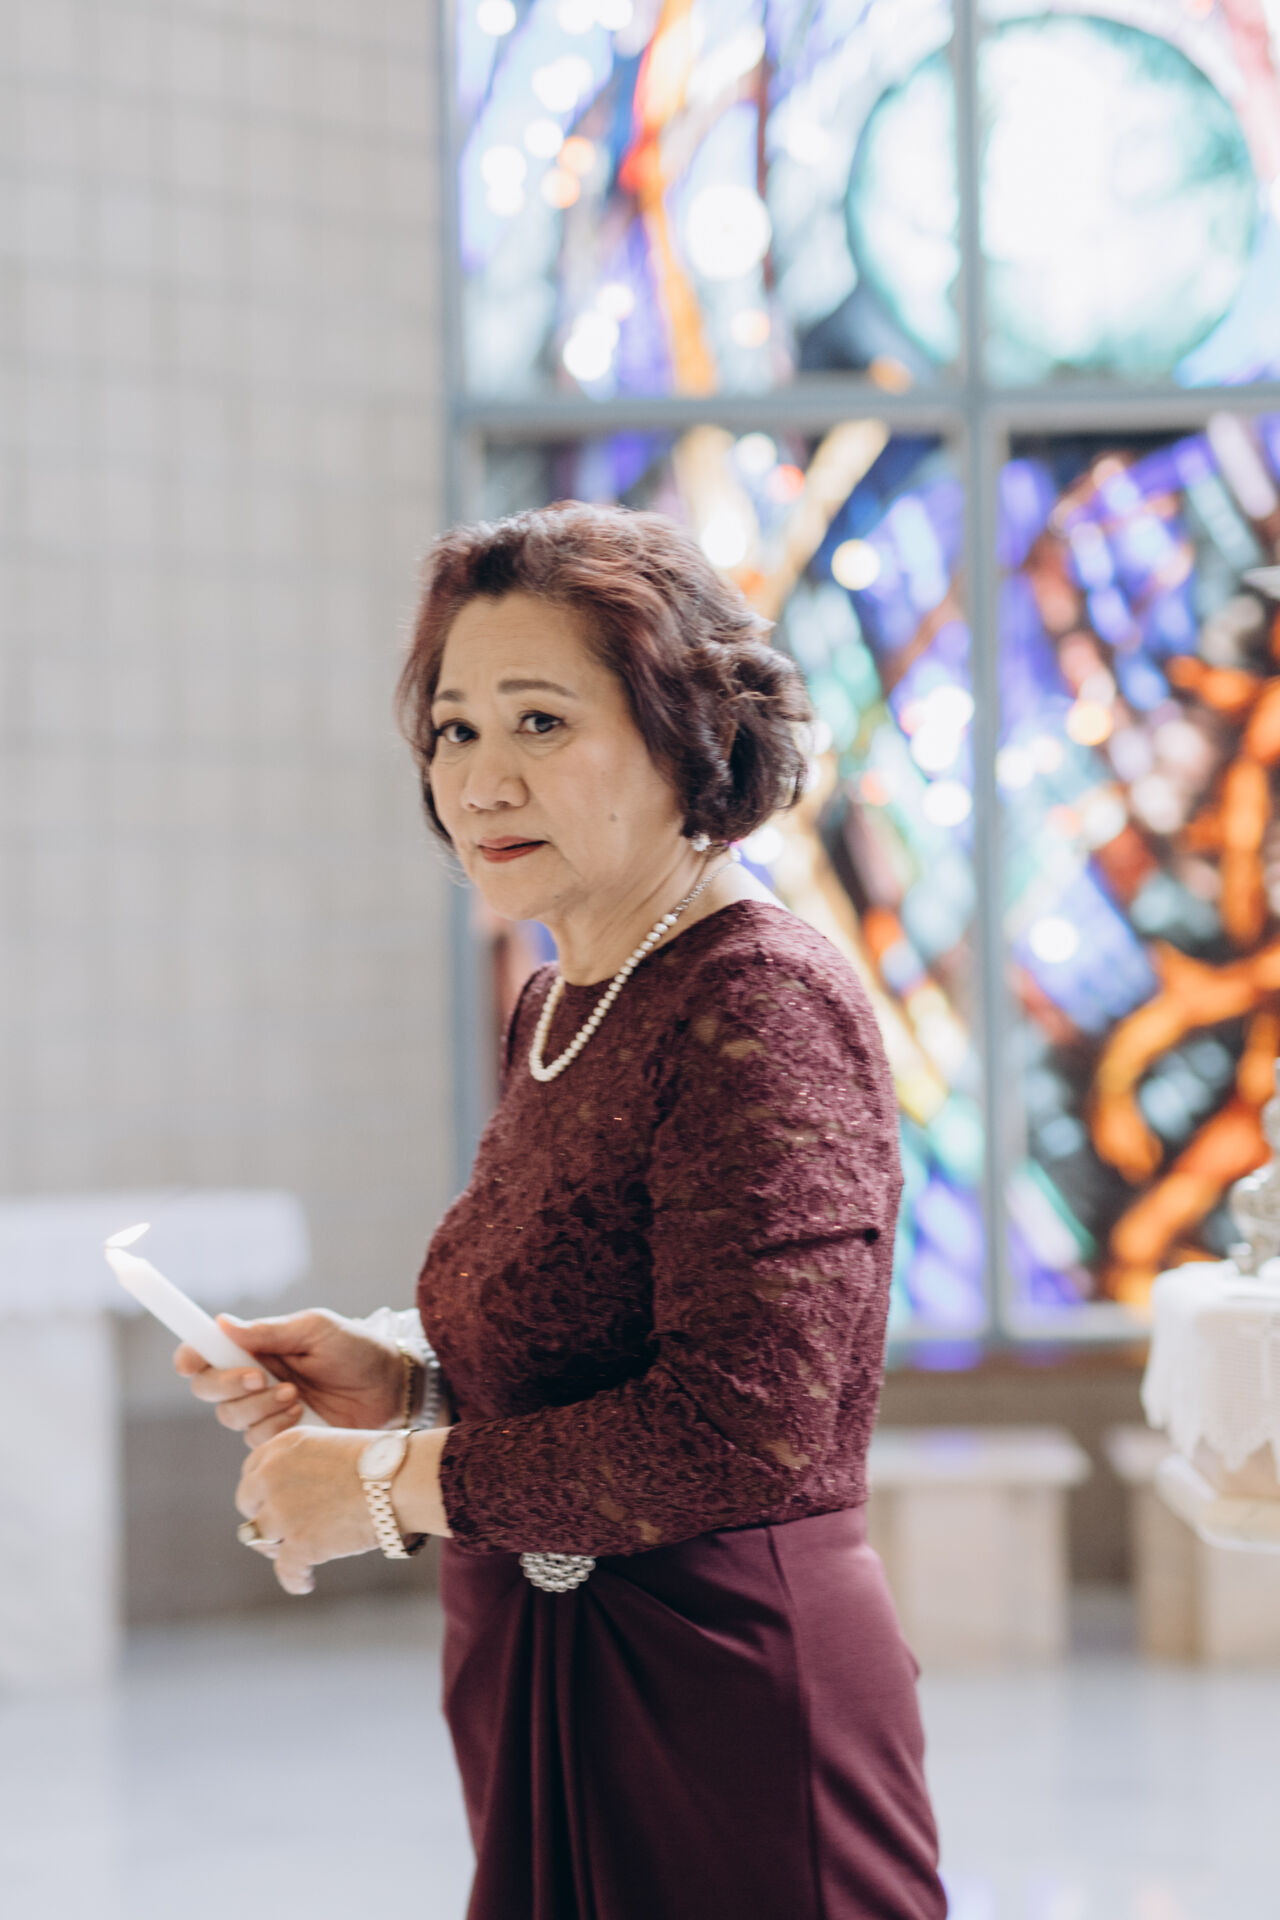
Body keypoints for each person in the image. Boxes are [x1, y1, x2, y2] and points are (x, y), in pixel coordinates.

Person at [177, 503, 947, 1920]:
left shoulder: (756, 1001)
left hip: (720, 1692)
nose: (481, 780)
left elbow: (743, 1429)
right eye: (454, 729)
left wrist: (380, 1487)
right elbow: (606, 1330)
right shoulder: (561, 999)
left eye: (540, 721)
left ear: (684, 737)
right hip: (541, 1668)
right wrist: (405, 1380)